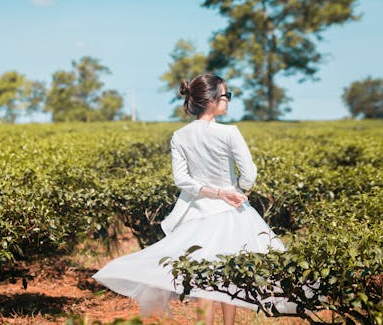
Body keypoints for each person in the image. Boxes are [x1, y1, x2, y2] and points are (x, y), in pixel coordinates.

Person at [92, 73, 289, 325]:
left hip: (197, 213)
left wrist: (215, 192)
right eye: (226, 95)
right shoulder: (230, 133)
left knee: (203, 279)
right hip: (232, 213)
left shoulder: (180, 136)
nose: (228, 100)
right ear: (212, 99)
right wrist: (234, 190)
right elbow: (249, 174)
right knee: (231, 275)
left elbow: (182, 180)